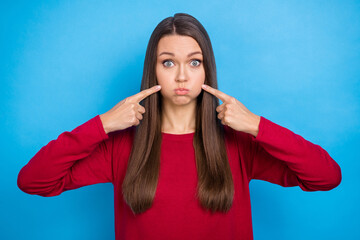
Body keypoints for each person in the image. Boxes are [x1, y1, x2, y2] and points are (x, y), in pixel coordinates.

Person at [17, 13, 342, 240]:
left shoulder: (238, 145)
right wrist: (102, 125)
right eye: (168, 62)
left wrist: (257, 125)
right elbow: (34, 181)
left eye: (194, 62)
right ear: (153, 71)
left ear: (206, 71)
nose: (182, 76)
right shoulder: (121, 147)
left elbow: (326, 176)